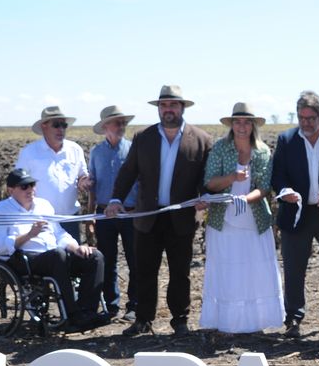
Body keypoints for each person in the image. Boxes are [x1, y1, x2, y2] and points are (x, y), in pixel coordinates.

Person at [104, 85, 213, 336]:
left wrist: (205, 196)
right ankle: (143, 319)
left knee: (180, 272)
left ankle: (180, 319)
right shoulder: (144, 137)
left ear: (182, 108)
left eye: (173, 105)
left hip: (181, 218)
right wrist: (115, 199)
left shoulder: (201, 140)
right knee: (145, 270)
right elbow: (129, 172)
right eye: (163, 105)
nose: (168, 110)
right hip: (148, 217)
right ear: (159, 109)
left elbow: (205, 178)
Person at [197, 103, 283, 334]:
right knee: (228, 269)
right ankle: (228, 322)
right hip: (223, 220)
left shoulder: (262, 151)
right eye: (238, 122)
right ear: (231, 125)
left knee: (252, 271)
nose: (242, 126)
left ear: (253, 125)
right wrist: (232, 178)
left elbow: (264, 187)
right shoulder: (221, 149)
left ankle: (253, 322)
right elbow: (210, 182)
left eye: (246, 122)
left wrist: (245, 199)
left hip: (253, 220)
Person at [0, 168, 108, 332]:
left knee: (95, 256)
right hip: (25, 260)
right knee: (58, 255)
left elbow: (59, 233)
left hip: (55, 255)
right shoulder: (0, 211)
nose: (30, 190)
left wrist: (77, 247)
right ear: (10, 190)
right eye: (24, 187)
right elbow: (0, 247)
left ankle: (87, 312)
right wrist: (29, 234)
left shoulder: (44, 205)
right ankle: (72, 315)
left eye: (31, 185)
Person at [271, 91, 319, 338]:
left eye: (311, 118)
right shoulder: (287, 140)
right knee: (294, 267)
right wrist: (285, 192)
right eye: (301, 117)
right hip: (297, 214)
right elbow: (278, 175)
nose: (306, 123)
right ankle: (294, 318)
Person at [88, 105, 139, 322]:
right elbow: (92, 186)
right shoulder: (96, 153)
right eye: (117, 122)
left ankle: (134, 305)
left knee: (134, 259)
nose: (121, 126)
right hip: (104, 214)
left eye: (123, 122)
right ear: (105, 126)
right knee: (107, 260)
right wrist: (90, 215)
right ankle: (111, 305)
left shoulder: (133, 150)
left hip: (130, 212)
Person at [15, 106, 92, 242]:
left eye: (64, 125)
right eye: (56, 125)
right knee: (49, 260)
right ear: (44, 126)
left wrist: (85, 182)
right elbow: (18, 184)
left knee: (73, 259)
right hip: (41, 221)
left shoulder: (75, 149)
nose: (61, 129)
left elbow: (81, 176)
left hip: (70, 218)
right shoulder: (29, 152)